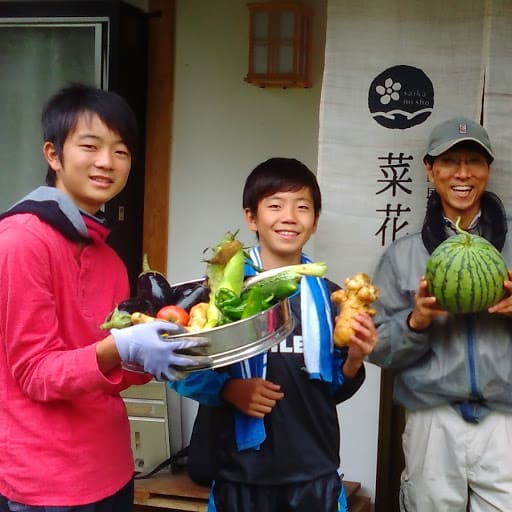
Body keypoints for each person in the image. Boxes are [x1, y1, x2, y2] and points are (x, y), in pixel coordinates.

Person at [0, 84, 211, 512]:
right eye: (90, 146)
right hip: (44, 483)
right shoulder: (21, 241)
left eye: (120, 151)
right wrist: (122, 347)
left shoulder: (108, 257)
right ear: (53, 154)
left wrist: (168, 355)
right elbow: (36, 373)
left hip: (111, 469)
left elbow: (116, 371)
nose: (106, 162)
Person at [170, 157, 378, 512]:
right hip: (239, 475)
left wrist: (356, 359)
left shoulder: (330, 298)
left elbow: (332, 391)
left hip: (314, 473)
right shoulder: (222, 293)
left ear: (314, 222)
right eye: (275, 205)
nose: (289, 217)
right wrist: (228, 389)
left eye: (302, 207)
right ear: (252, 217)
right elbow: (180, 369)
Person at [367, 117, 512, 512]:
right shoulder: (401, 256)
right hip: (431, 419)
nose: (462, 173)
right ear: (430, 170)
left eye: (474, 161)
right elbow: (376, 348)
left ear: (488, 170)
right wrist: (415, 322)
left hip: (506, 420)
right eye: (449, 161)